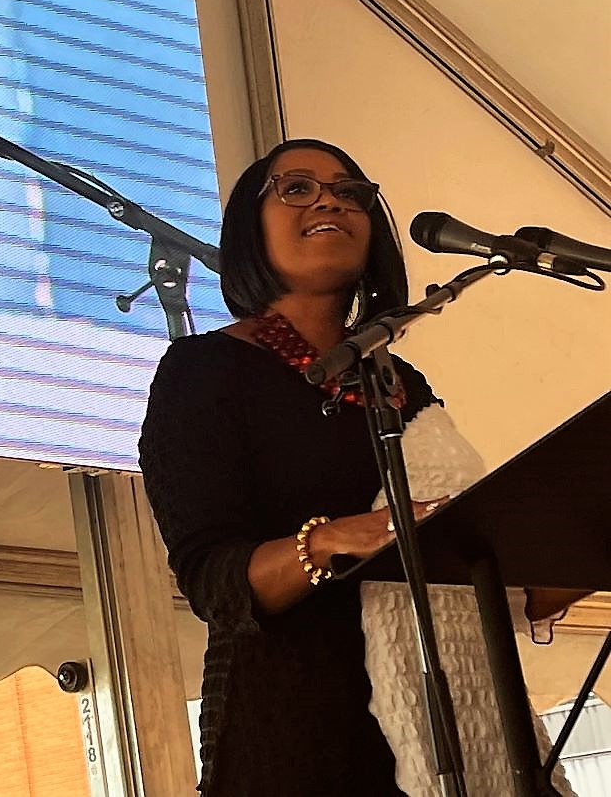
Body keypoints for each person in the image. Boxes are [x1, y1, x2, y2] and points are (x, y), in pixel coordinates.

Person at [138, 138, 582, 796]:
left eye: (350, 192)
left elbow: (482, 578)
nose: (329, 199)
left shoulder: (401, 382)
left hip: (456, 738)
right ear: (247, 230)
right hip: (301, 739)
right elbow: (213, 582)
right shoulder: (203, 373)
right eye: (297, 187)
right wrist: (334, 538)